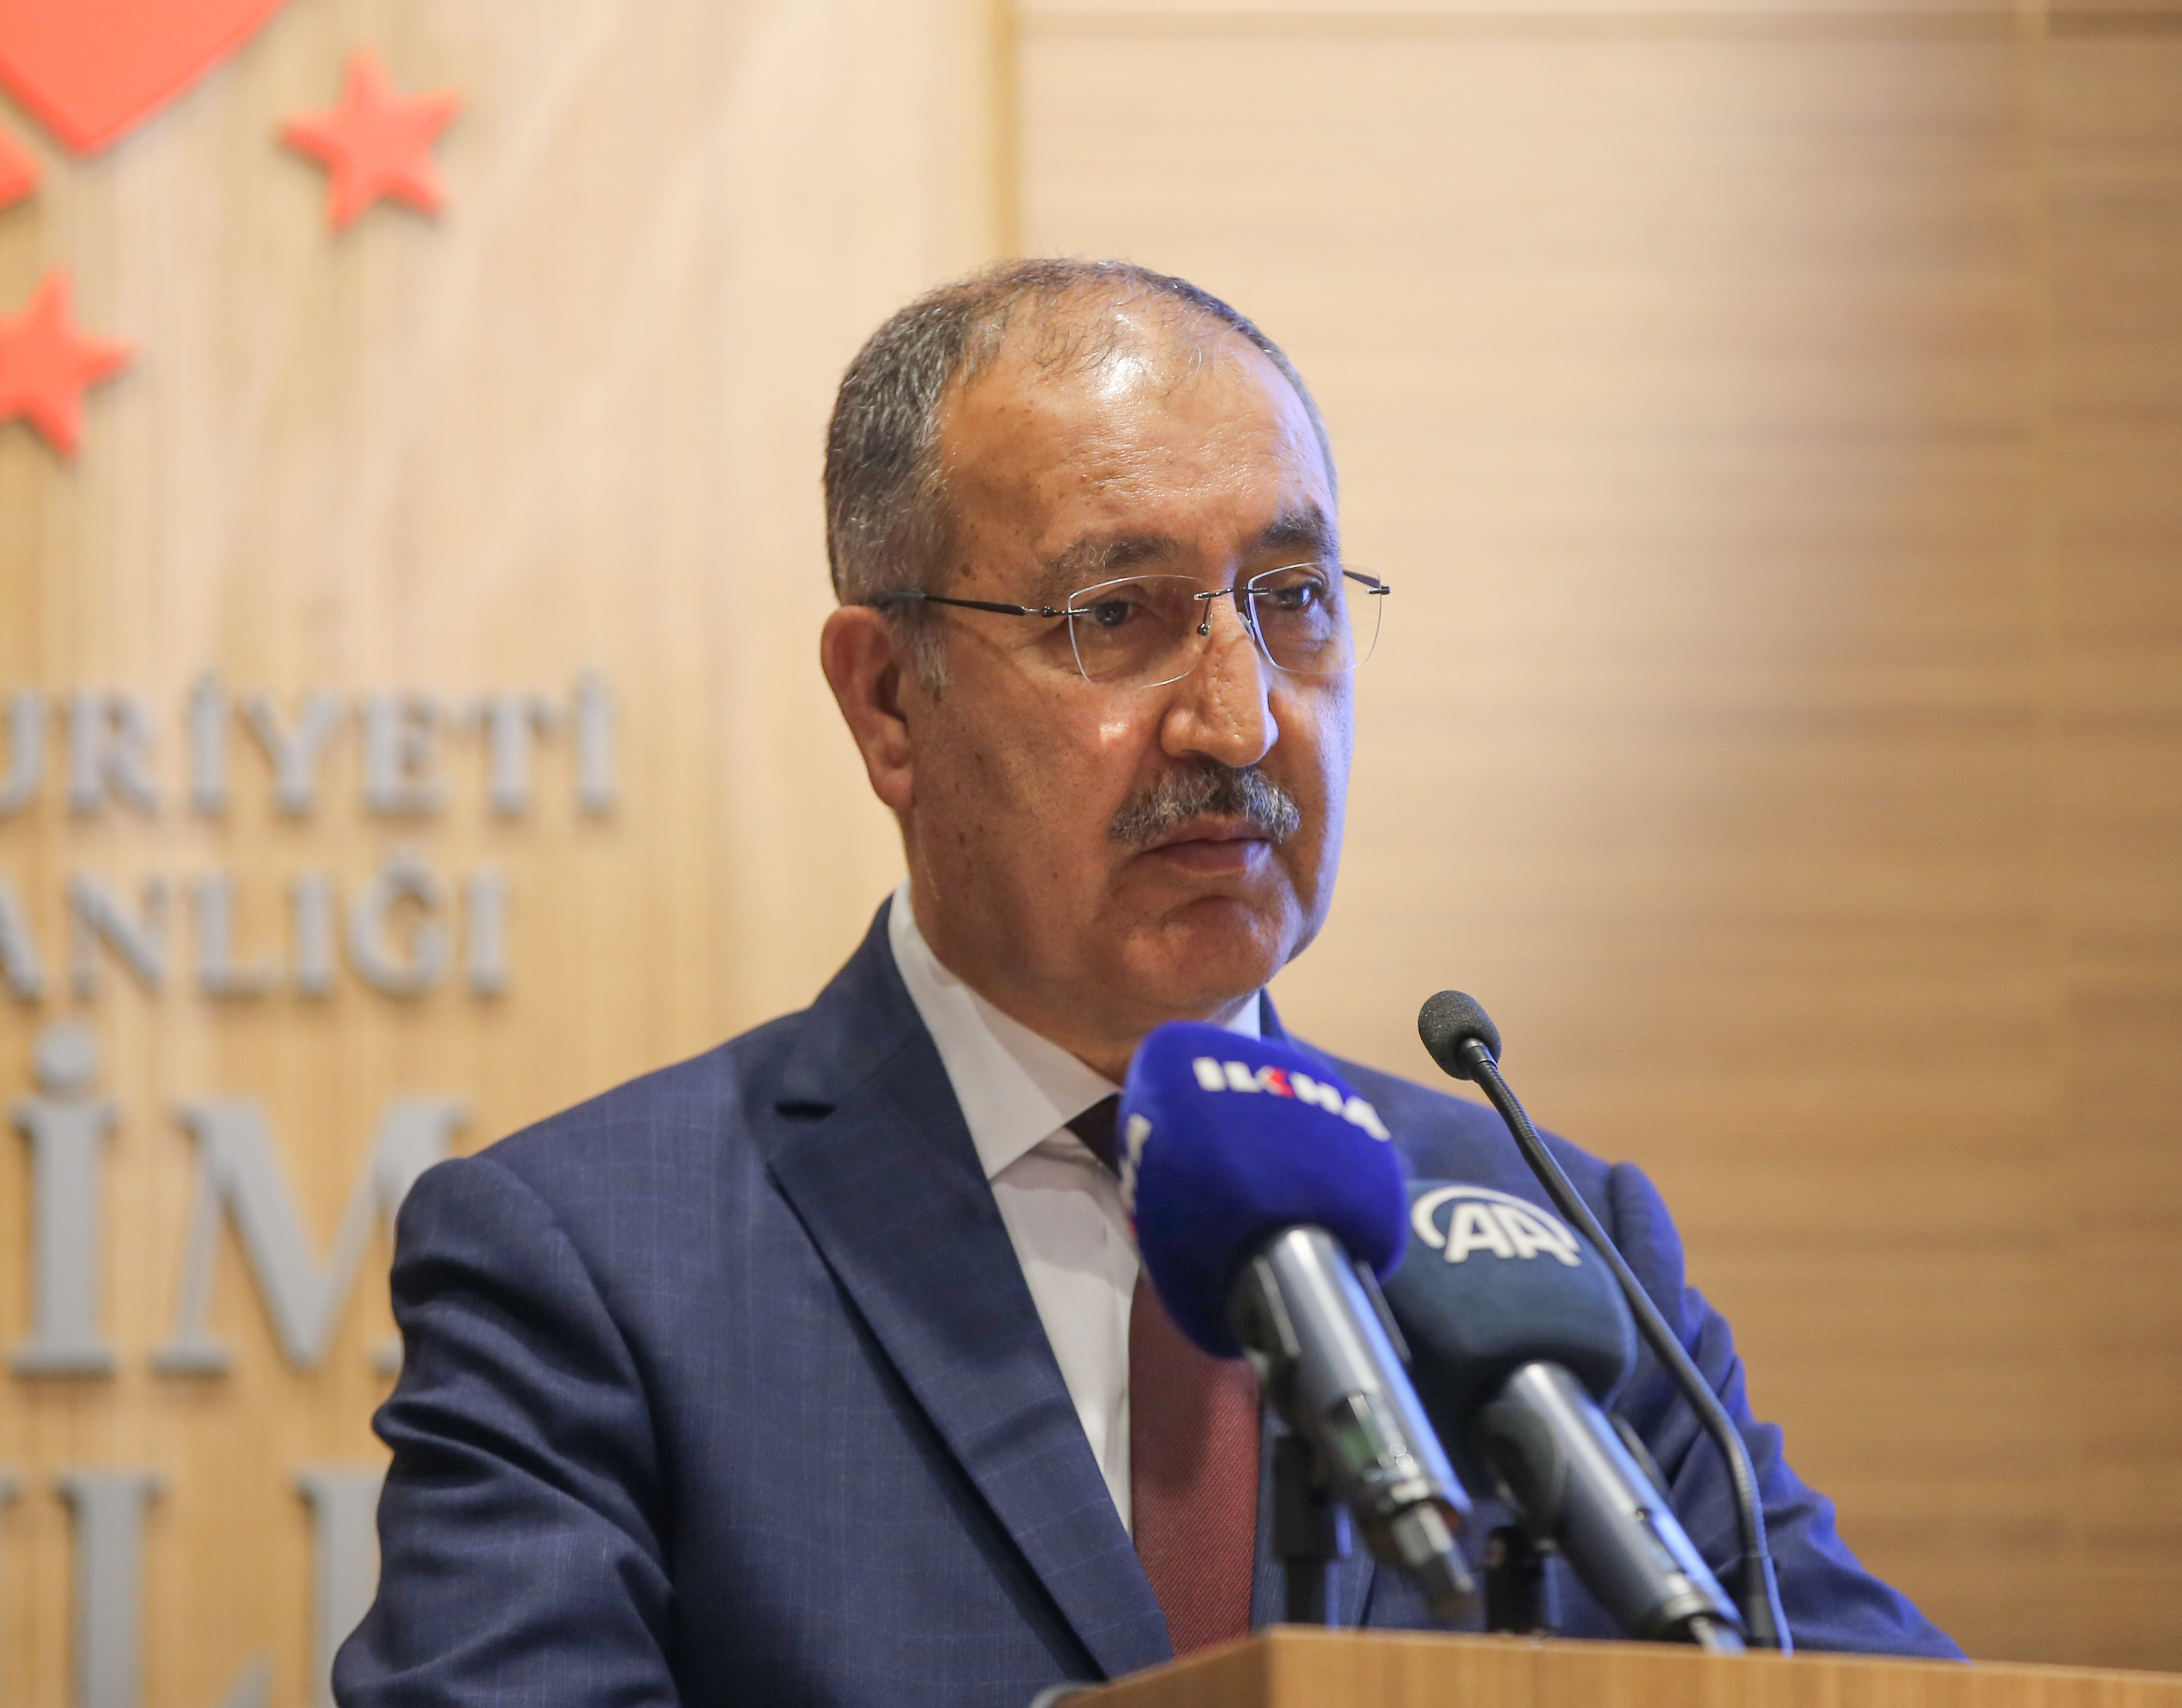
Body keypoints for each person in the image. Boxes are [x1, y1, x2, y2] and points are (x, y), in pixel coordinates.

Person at [334, 260, 1959, 1706]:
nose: (1239, 720)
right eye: (1117, 616)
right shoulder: (595, 1263)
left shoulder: (1541, 1242)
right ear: (889, 700)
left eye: (1293, 603)